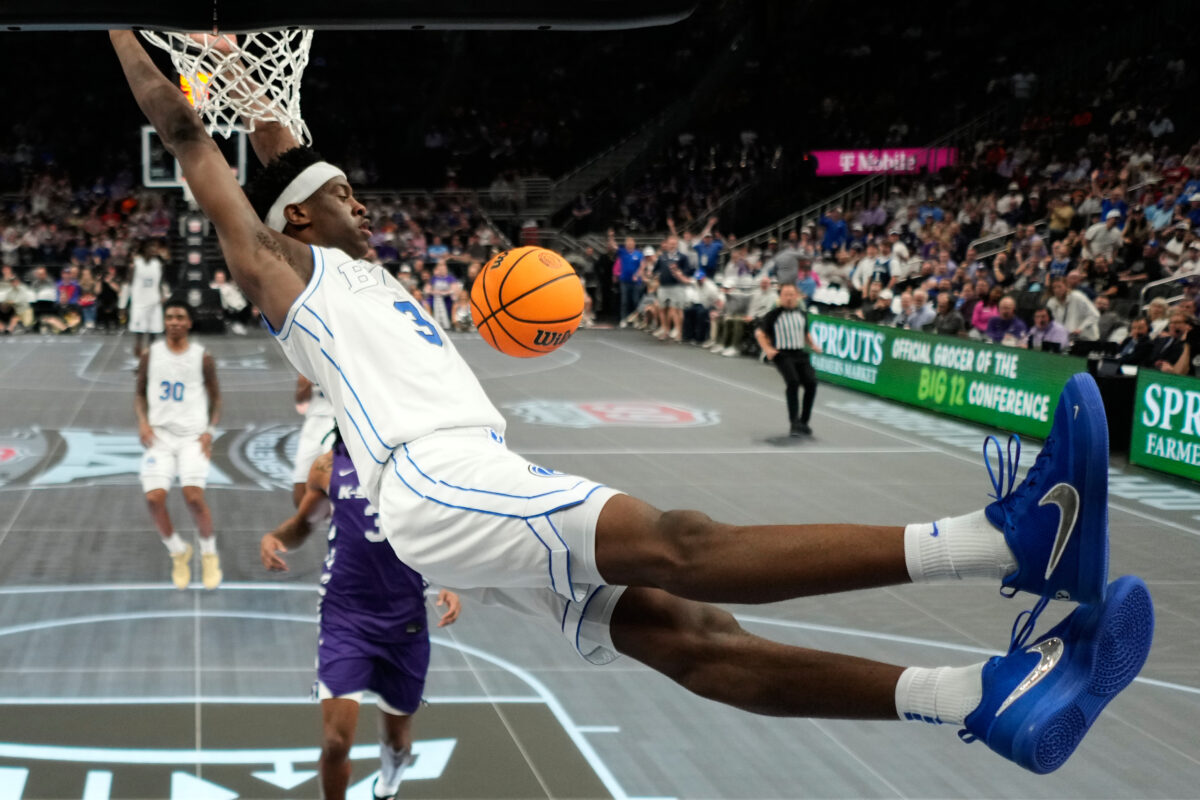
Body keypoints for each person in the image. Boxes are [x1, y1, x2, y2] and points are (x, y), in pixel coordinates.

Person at [112, 31, 1153, 775]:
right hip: (434, 477)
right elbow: (192, 136)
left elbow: (287, 150)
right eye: (343, 197)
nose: (364, 202)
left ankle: (978, 699)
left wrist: (248, 78)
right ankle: (1006, 540)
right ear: (297, 222)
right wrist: (125, 32)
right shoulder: (286, 273)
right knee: (680, 541)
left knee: (693, 635)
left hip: (472, 477)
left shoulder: (359, 269)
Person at [261, 436, 461, 800]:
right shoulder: (328, 465)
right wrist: (276, 537)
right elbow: (305, 522)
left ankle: (387, 787)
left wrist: (452, 580)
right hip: (345, 614)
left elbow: (442, 527)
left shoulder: (420, 462)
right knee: (336, 741)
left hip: (404, 621)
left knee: (398, 742)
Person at [134, 298, 222, 590]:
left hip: (192, 436)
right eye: (169, 317)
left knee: (194, 498)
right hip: (159, 435)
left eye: (180, 317)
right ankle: (178, 551)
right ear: (164, 321)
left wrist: (210, 430)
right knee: (153, 499)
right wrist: (143, 422)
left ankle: (209, 554)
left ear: (189, 323)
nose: (174, 322)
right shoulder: (150, 355)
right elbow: (139, 393)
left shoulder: (202, 357)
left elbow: (216, 397)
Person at [754, 284, 823, 436]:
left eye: (792, 294)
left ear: (797, 297)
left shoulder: (802, 314)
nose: (789, 298)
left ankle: (804, 421)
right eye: (786, 295)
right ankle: (794, 423)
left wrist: (813, 345)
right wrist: (768, 349)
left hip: (799, 353)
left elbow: (805, 333)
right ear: (781, 297)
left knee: (811, 383)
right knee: (793, 382)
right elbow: (760, 334)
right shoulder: (773, 315)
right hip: (782, 354)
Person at [292, 375, 337, 507]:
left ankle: (336, 515)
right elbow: (300, 402)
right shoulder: (309, 366)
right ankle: (307, 515)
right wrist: (305, 386)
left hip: (337, 422)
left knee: (333, 476)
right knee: (300, 485)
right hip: (314, 423)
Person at [128, 240, 166, 357]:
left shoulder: (158, 264)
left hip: (154, 301)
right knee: (139, 332)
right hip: (139, 302)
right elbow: (128, 282)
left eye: (156, 248)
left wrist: (162, 295)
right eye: (152, 247)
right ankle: (139, 354)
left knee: (154, 331)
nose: (154, 250)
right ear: (145, 249)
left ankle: (150, 355)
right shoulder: (136, 264)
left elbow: (160, 282)